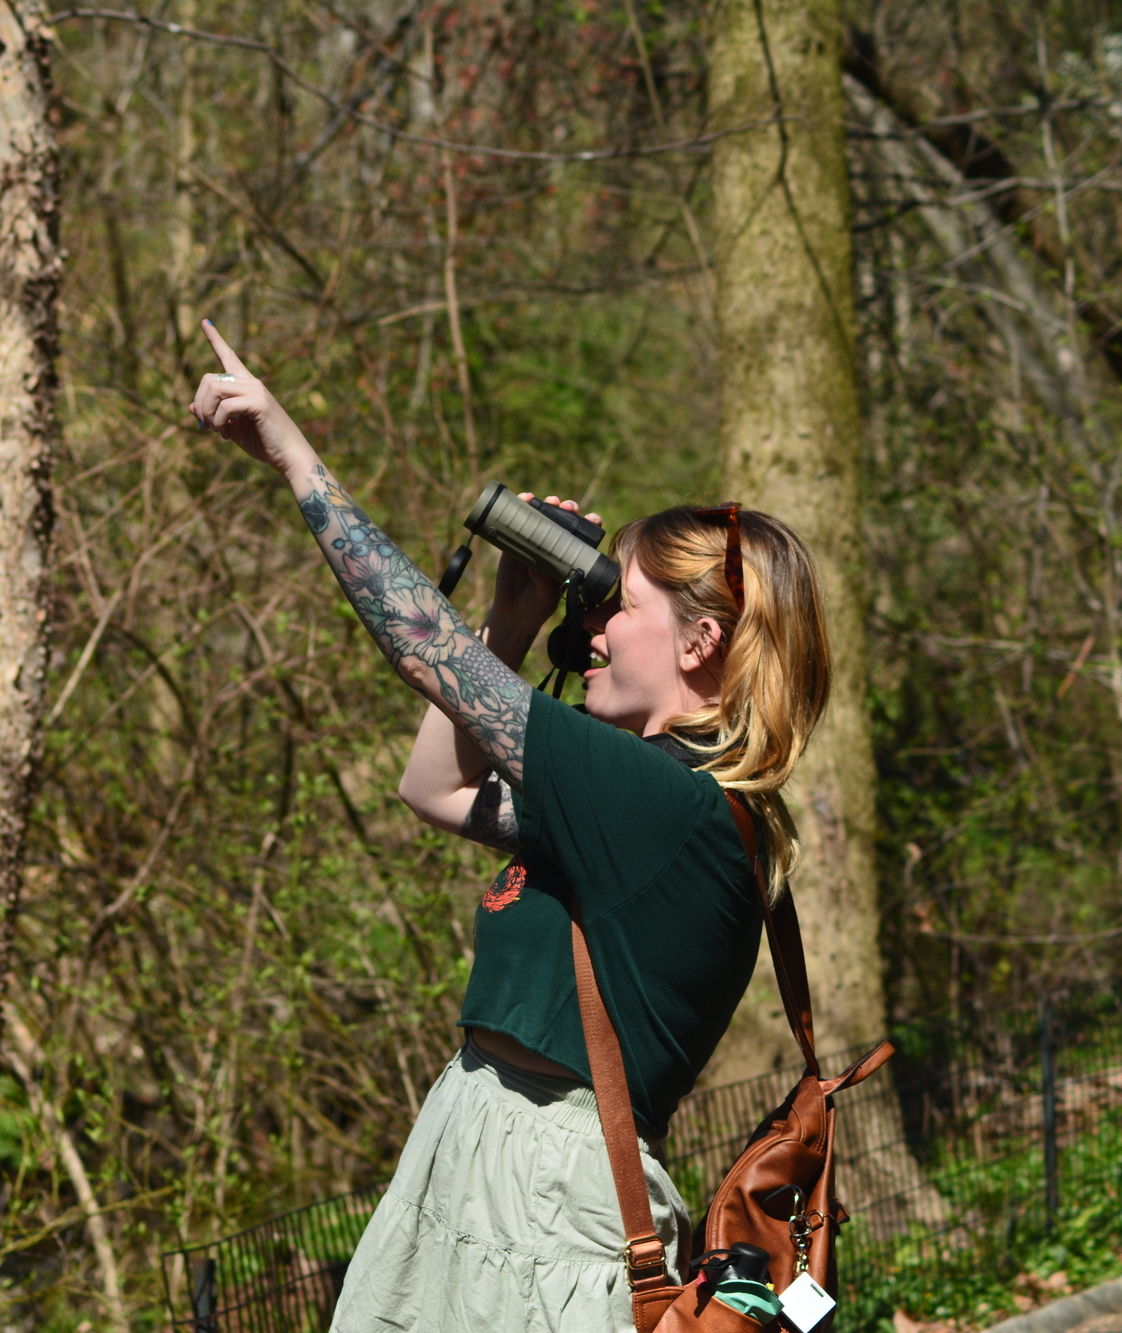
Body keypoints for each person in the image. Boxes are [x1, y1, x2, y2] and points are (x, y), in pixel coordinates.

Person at [188, 321, 831, 1333]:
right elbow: (433, 786)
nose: (598, 624)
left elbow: (418, 646)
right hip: (477, 1137)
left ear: (701, 640)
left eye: (617, 599)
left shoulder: (670, 803)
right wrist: (511, 616)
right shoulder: (643, 795)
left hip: (542, 1193)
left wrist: (291, 454)